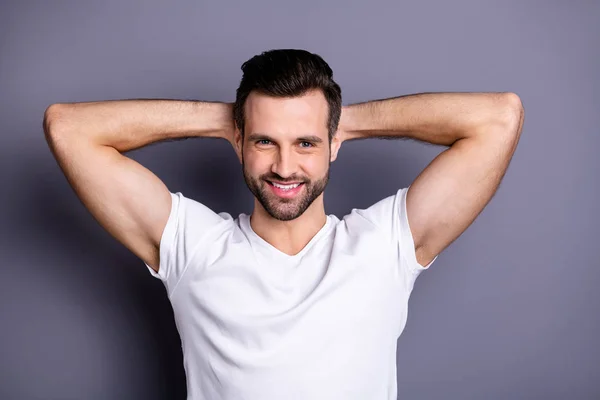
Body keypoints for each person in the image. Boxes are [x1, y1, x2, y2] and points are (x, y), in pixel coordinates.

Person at [43, 49, 524, 400]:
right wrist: (227, 120)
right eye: (265, 142)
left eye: (307, 144)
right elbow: (69, 128)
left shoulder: (385, 246)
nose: (285, 166)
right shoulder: (193, 247)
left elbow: (498, 118)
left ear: (335, 144)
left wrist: (344, 122)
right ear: (239, 143)